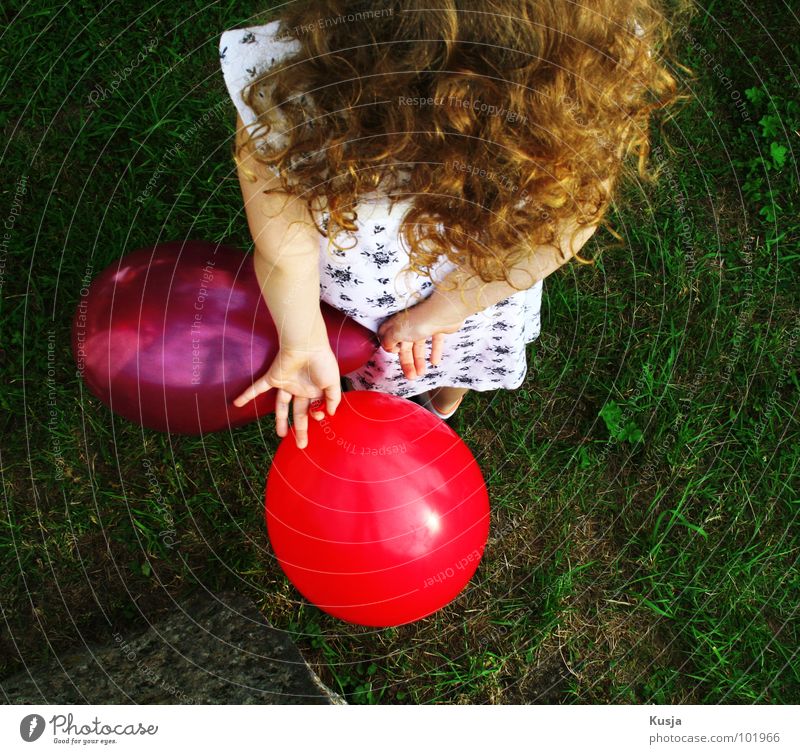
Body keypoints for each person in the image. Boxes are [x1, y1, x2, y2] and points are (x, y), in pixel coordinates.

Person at [220, 0, 694, 447]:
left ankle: (426, 406)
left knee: (387, 360)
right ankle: (442, 405)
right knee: (449, 364)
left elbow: (286, 252)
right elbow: (565, 232)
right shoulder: (580, 82)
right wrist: (448, 310)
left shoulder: (288, 87)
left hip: (393, 296)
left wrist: (305, 339)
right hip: (479, 289)